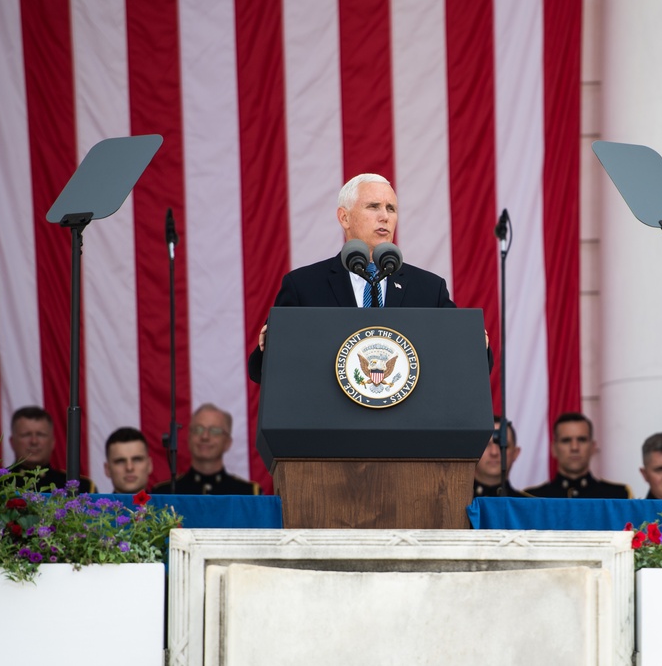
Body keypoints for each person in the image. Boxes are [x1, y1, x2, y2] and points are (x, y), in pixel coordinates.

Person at [248, 173, 489, 383]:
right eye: (374, 206)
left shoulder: (428, 288)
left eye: (391, 208)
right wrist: (270, 348)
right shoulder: (303, 286)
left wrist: (476, 345)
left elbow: (466, 362)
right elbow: (262, 372)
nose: (385, 216)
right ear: (344, 218)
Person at [151, 403, 261, 495]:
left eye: (214, 431)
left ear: (228, 442)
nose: (205, 437)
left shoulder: (249, 494)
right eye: (198, 429)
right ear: (189, 438)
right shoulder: (164, 494)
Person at [524, 412, 632, 498]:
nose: (574, 447)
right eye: (566, 440)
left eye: (582, 440)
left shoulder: (618, 497)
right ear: (553, 449)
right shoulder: (532, 499)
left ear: (593, 447)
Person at [9, 406, 95, 493]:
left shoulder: (81, 488)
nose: (34, 441)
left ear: (53, 442)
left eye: (41, 434)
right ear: (12, 442)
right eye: (26, 435)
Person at [473, 417, 531, 498]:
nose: (494, 452)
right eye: (486, 445)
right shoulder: (454, 504)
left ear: (515, 453)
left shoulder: (528, 506)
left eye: (503, 445)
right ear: (472, 450)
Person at [103, 427, 153, 494]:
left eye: (137, 460)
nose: (129, 468)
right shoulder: (89, 505)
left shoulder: (168, 504)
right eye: (120, 461)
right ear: (107, 469)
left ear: (149, 465)